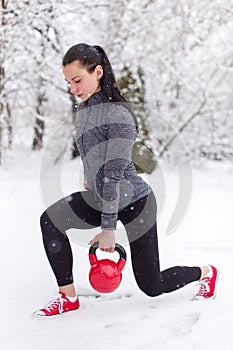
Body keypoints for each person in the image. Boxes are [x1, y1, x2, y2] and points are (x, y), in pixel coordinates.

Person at [33, 43, 218, 317]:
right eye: (68, 82)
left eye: (77, 80)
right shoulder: (84, 111)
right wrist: (88, 177)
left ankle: (205, 272)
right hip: (102, 195)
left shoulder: (118, 116)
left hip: (135, 203)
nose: (73, 88)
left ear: (97, 72)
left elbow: (114, 174)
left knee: (152, 285)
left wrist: (108, 227)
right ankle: (68, 296)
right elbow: (92, 153)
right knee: (50, 219)